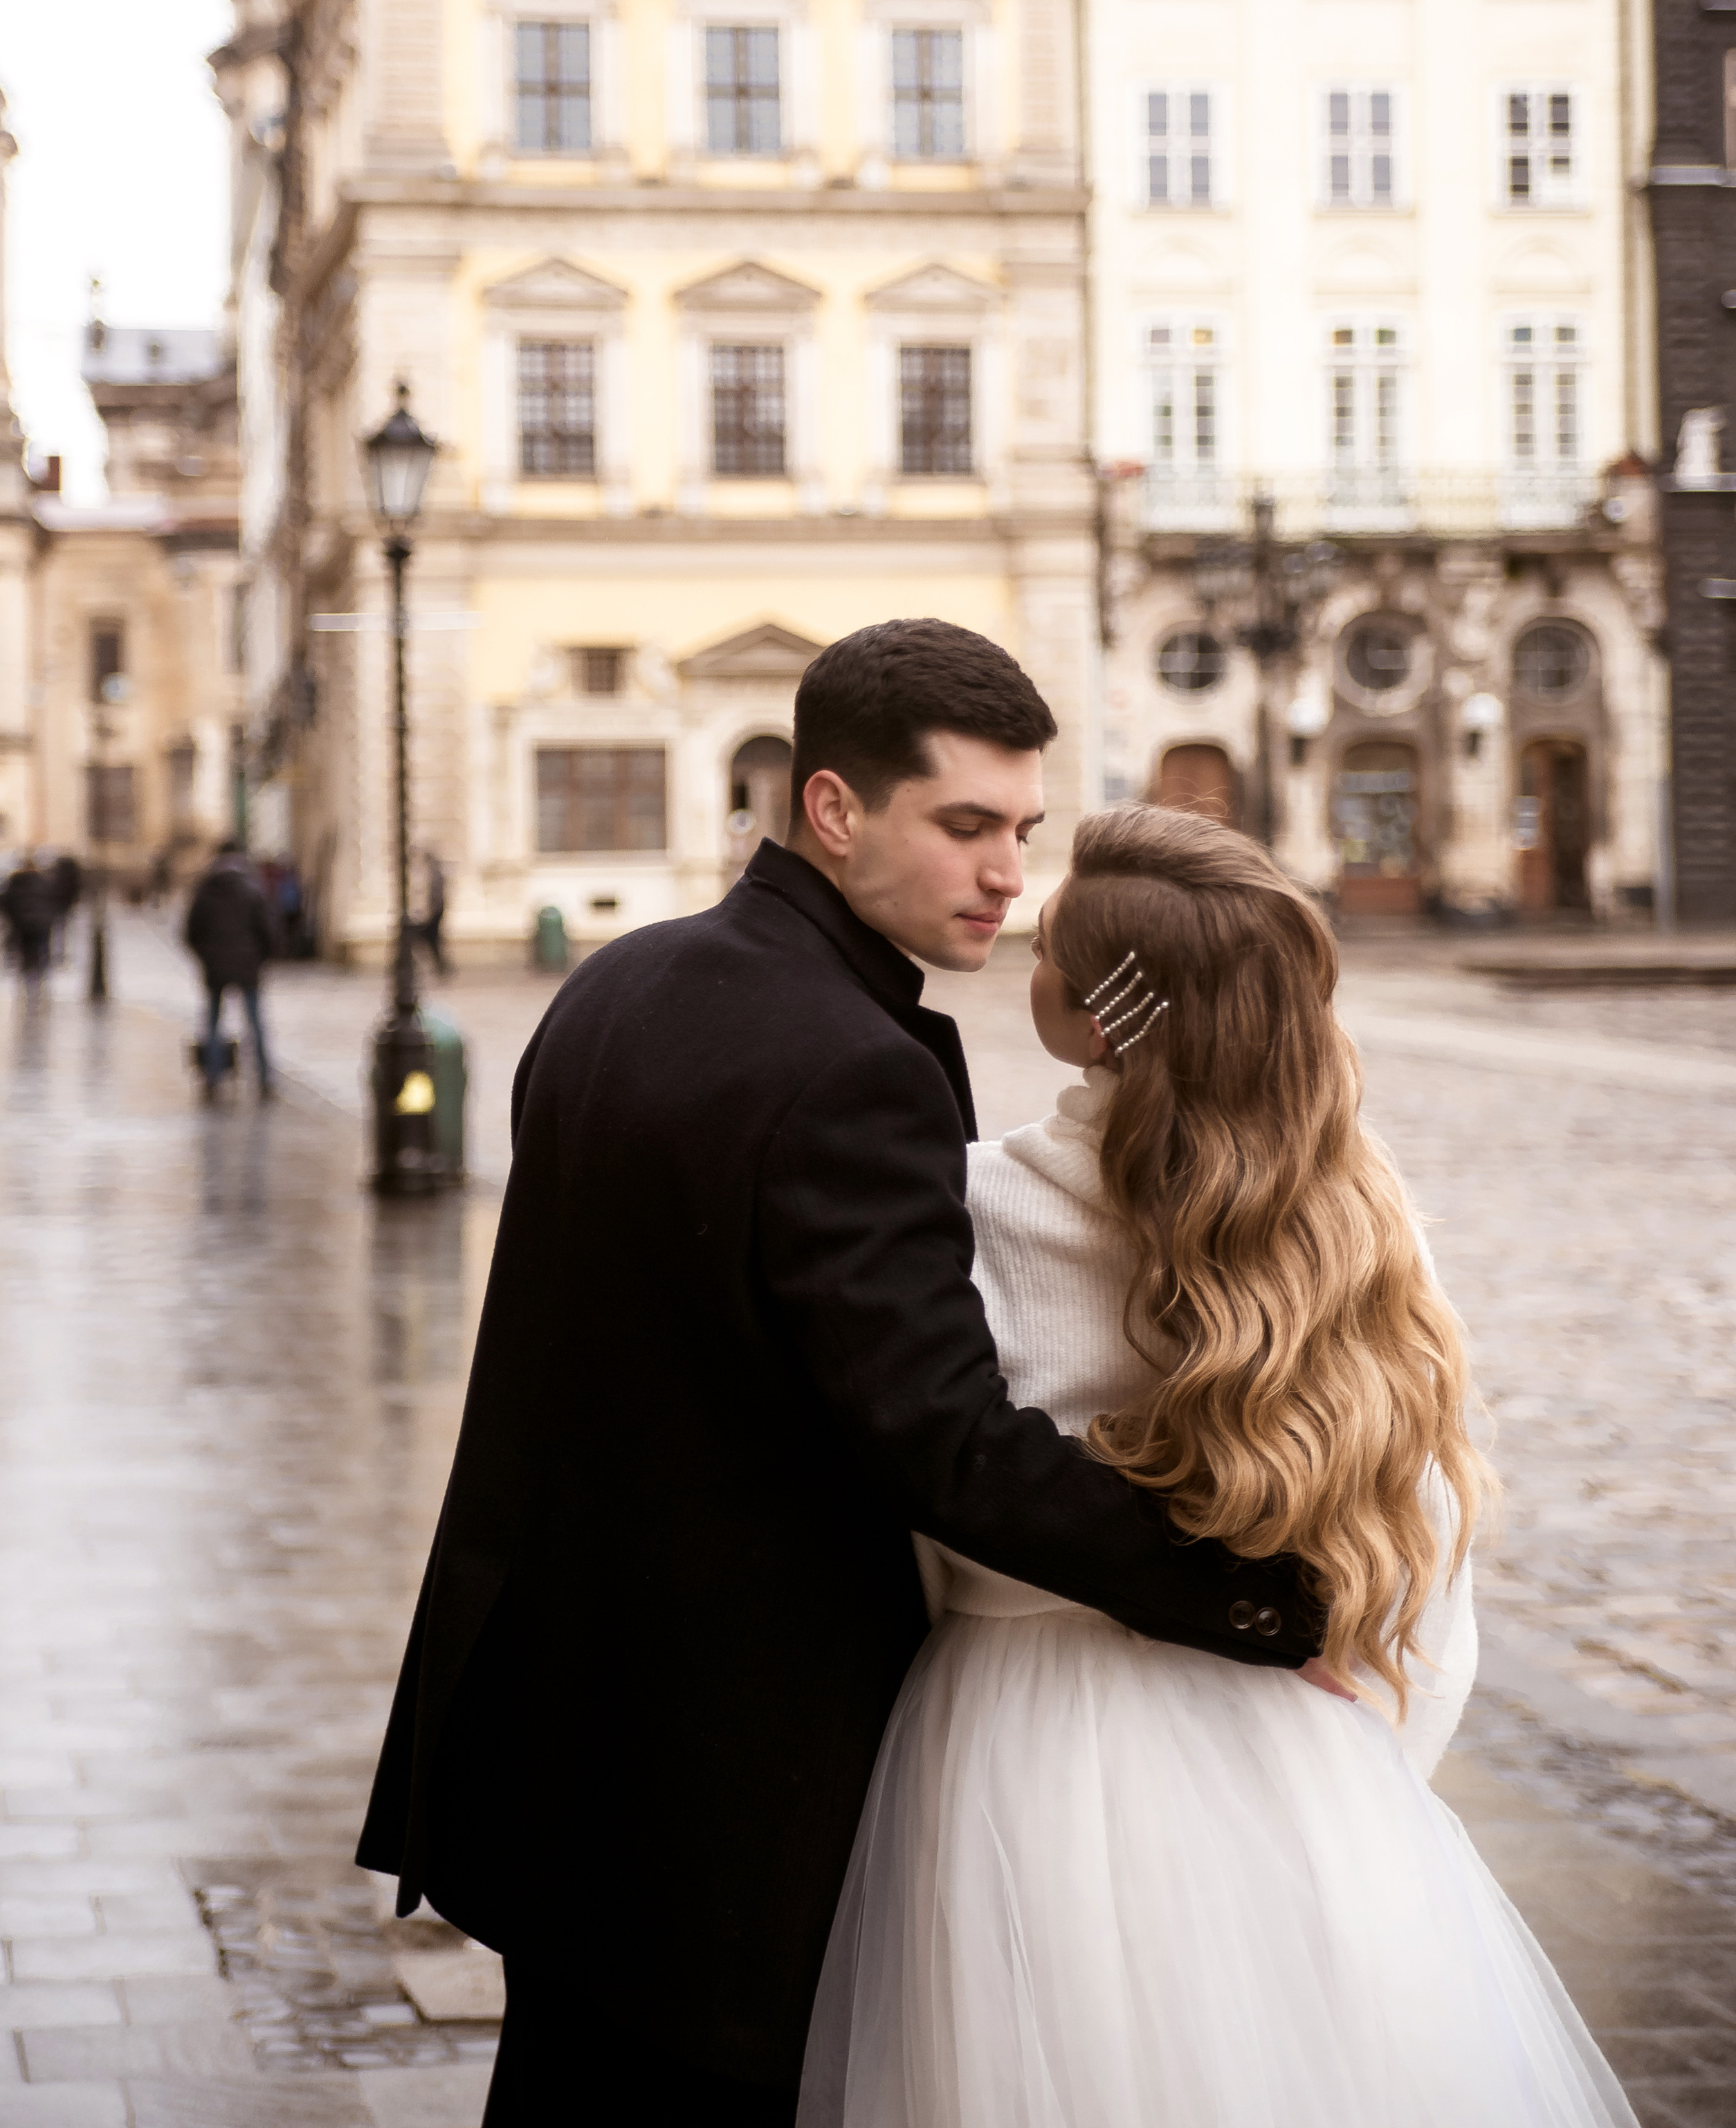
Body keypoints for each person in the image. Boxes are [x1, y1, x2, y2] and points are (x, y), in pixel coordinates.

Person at [357, 621, 1325, 2128]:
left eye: (1022, 830)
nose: (1007, 875)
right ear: (832, 808)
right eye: (964, 825)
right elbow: (945, 1443)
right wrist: (1251, 1592)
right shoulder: (851, 1062)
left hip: (547, 1729)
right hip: (720, 1782)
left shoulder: (621, 980)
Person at [800, 804, 1637, 2128]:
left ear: (1094, 1017)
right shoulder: (1352, 1219)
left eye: (1050, 950)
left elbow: (928, 1492)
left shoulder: (968, 1205)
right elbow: (1429, 1552)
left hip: (1013, 1741)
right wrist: (1357, 1789)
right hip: (1295, 1733)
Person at [184, 838, 278, 1100]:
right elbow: (268, 931)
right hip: (247, 966)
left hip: (216, 967)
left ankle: (213, 1076)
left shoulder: (206, 889)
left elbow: (191, 931)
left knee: (213, 1023)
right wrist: (260, 959)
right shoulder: (253, 888)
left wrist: (206, 957)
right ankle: (264, 1077)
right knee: (255, 1023)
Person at [0, 855, 55, 992]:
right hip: (40, 923)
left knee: (26, 950)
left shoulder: (15, 881)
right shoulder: (43, 881)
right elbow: (52, 901)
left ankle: (27, 976)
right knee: (41, 950)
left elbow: (6, 902)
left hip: (22, 924)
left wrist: (12, 919)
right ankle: (41, 976)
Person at [414, 848, 450, 976]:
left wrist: (431, 912)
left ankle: (441, 967)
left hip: (436, 912)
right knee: (431, 940)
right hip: (437, 911)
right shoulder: (435, 873)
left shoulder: (435, 874)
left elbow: (434, 896)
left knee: (429, 939)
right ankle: (440, 966)